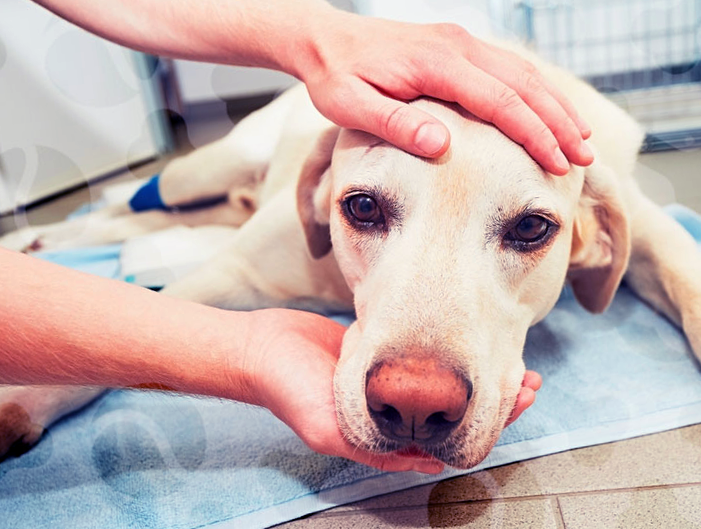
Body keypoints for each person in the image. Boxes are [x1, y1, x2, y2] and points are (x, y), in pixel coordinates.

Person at [0, 0, 590, 473]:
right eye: (365, 210)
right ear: (316, 203)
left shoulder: (586, 170)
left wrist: (312, 33)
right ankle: (130, 205)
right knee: (187, 182)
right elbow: (216, 282)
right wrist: (42, 393)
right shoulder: (314, 182)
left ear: (593, 239)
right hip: (278, 143)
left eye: (527, 228)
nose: (416, 391)